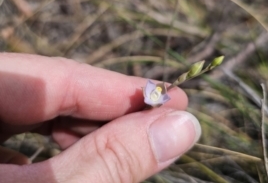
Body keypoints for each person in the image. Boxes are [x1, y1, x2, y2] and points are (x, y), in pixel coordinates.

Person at [0, 53, 201, 182]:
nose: (155, 95)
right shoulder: (152, 94)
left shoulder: (157, 95)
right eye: (153, 94)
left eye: (156, 95)